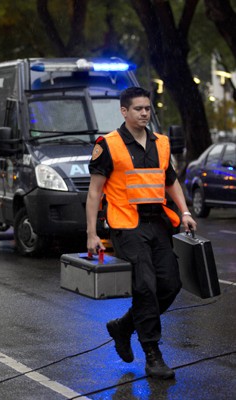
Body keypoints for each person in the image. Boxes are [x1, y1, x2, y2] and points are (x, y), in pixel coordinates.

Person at [86, 87, 197, 380]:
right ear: (124, 112)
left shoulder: (161, 143)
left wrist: (185, 212)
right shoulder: (108, 144)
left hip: (157, 223)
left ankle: (123, 326)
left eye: (148, 108)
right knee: (145, 286)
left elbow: (170, 182)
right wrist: (91, 234)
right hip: (125, 225)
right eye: (138, 109)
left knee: (171, 284)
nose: (145, 113)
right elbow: (95, 191)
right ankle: (152, 353)